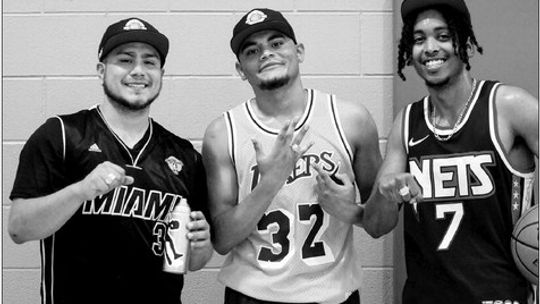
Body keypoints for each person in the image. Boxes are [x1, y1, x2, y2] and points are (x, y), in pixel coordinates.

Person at [8, 17, 213, 304]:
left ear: (161, 73)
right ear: (101, 70)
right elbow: (19, 228)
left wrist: (201, 247)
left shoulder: (184, 155)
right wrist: (81, 191)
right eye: (125, 60)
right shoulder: (62, 135)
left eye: (149, 62)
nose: (138, 71)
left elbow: (190, 261)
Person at [362, 0, 538, 303]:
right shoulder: (406, 122)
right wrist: (383, 193)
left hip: (502, 295)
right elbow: (376, 226)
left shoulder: (509, 106)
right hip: (425, 297)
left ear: (467, 46)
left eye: (443, 36)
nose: (429, 47)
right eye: (419, 39)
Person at [202, 8, 382, 304]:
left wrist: (351, 210)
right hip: (252, 294)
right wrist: (269, 184)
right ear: (239, 69)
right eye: (252, 50)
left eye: (276, 43)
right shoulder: (222, 133)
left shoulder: (350, 120)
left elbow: (380, 224)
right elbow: (222, 240)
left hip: (333, 295)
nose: (266, 53)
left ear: (299, 51)